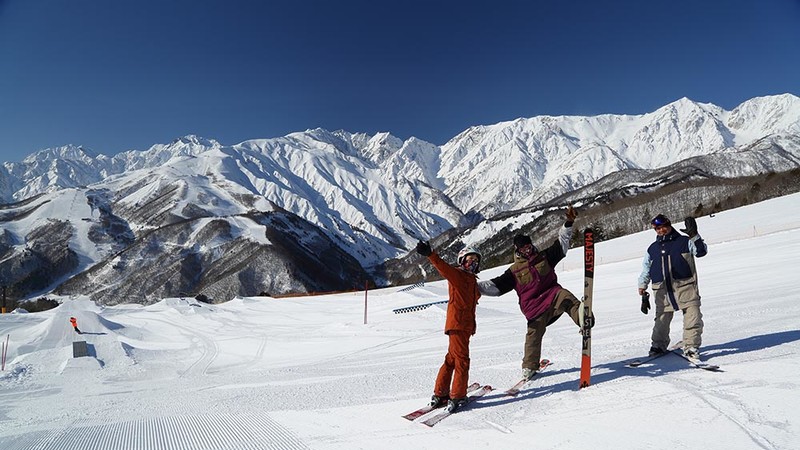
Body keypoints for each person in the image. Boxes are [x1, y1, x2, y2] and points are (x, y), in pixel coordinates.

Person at [478, 206, 589, 381]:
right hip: (534, 307)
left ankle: (583, 320)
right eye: (523, 249)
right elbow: (495, 286)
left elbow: (562, 244)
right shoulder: (514, 271)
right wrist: (473, 287)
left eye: (529, 246)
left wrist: (568, 223)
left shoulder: (544, 257)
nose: (527, 250)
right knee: (533, 336)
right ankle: (529, 367)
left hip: (553, 296)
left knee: (567, 298)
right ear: (517, 250)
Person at [415, 240, 481, 413]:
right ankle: (457, 395)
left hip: (464, 327)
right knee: (462, 361)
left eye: (476, 260)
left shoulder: (471, 280)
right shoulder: (458, 276)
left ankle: (441, 393)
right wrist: (430, 254)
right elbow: (442, 267)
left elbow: (474, 296)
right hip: (458, 325)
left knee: (451, 359)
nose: (473, 263)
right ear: (461, 261)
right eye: (470, 259)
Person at [638, 214, 708, 359]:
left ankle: (691, 346)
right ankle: (658, 345)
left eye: (664, 226)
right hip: (662, 290)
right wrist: (642, 284)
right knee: (661, 321)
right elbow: (646, 268)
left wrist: (694, 235)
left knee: (693, 318)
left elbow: (701, 252)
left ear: (669, 225)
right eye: (658, 228)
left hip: (685, 287)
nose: (661, 230)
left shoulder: (684, 241)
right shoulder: (652, 249)